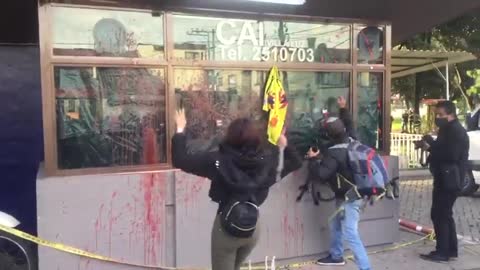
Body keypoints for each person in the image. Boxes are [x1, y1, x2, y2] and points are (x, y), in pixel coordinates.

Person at [171, 109, 303, 270]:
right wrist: (284, 145)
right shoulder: (266, 162)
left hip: (226, 228)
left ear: (229, 137)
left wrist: (179, 129)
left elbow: (181, 160)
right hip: (252, 227)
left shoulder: (217, 161)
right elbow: (296, 163)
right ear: (255, 138)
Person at [306, 118, 371, 270]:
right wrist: (344, 112)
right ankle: (336, 256)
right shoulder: (353, 140)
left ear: (329, 135)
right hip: (353, 192)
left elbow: (321, 174)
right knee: (335, 223)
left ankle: (365, 267)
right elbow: (351, 124)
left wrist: (313, 160)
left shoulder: (335, 152)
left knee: (350, 232)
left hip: (351, 197)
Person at [417, 101, 469, 262]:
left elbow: (450, 155)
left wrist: (430, 147)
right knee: (445, 214)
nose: (437, 118)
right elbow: (443, 149)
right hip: (445, 178)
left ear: (451, 114)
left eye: (440, 115)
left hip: (450, 180)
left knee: (440, 214)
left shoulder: (455, 131)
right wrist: (430, 144)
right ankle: (450, 250)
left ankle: (443, 252)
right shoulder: (447, 130)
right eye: (436, 115)